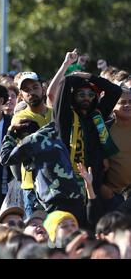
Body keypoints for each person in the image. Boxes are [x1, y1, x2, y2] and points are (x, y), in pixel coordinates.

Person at [50, 51, 122, 206]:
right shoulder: (65, 117)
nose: (86, 98)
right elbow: (62, 88)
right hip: (68, 181)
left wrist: (89, 76)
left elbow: (116, 91)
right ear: (73, 97)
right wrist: (72, 75)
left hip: (94, 182)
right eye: (81, 94)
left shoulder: (98, 115)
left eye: (90, 95)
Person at [10, 72, 53, 219]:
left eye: (35, 87)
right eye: (26, 90)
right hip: (33, 185)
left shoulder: (56, 114)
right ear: (21, 95)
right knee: (36, 233)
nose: (32, 92)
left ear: (43, 89)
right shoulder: (20, 118)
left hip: (58, 181)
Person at [103, 88, 131, 210]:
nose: (128, 105)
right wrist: (106, 191)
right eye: (123, 102)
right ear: (113, 106)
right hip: (117, 198)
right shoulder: (103, 131)